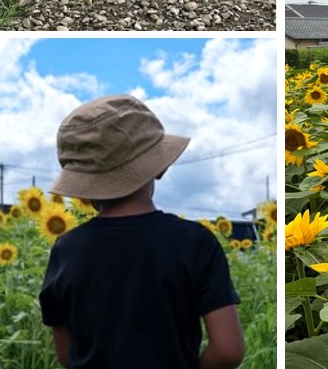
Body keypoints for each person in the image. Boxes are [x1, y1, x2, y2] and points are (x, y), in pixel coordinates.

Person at [39, 94, 245, 368]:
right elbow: (228, 350)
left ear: (85, 188)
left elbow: (66, 354)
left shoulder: (67, 249)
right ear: (157, 168)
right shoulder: (195, 242)